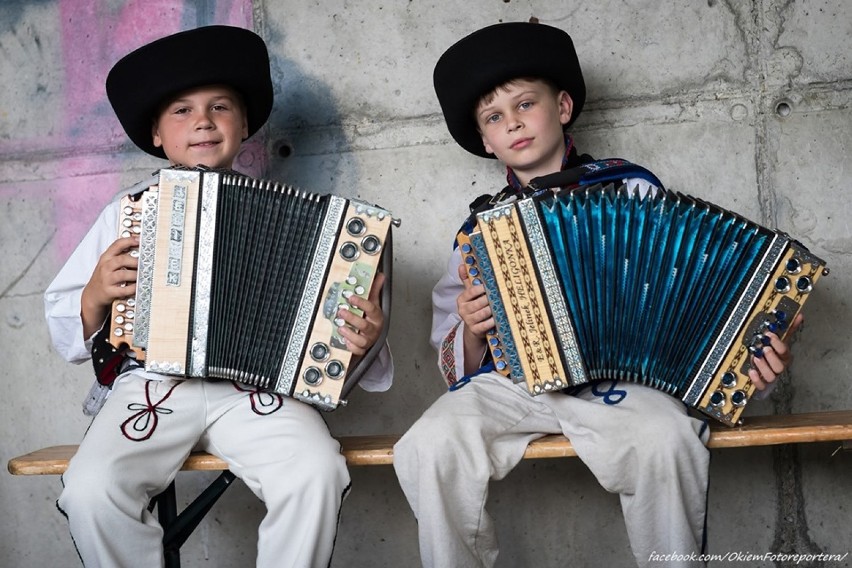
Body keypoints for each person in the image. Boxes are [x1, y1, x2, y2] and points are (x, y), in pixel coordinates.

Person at [392, 21, 800, 568]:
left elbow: (692, 298)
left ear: (562, 107)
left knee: (666, 440)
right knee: (426, 445)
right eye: (494, 117)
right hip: (516, 385)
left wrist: (752, 357)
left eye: (525, 104)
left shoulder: (631, 190)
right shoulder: (478, 233)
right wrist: (469, 325)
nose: (512, 123)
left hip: (622, 382)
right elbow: (453, 357)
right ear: (486, 142)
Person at [44, 25, 393, 567]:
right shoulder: (128, 210)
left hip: (251, 391)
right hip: (152, 386)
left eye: (220, 107)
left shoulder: (305, 220)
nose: (203, 121)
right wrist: (92, 297)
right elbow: (66, 317)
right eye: (180, 111)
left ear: (245, 124)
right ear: (156, 135)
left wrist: (365, 335)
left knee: (316, 470)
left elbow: (340, 338)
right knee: (90, 490)